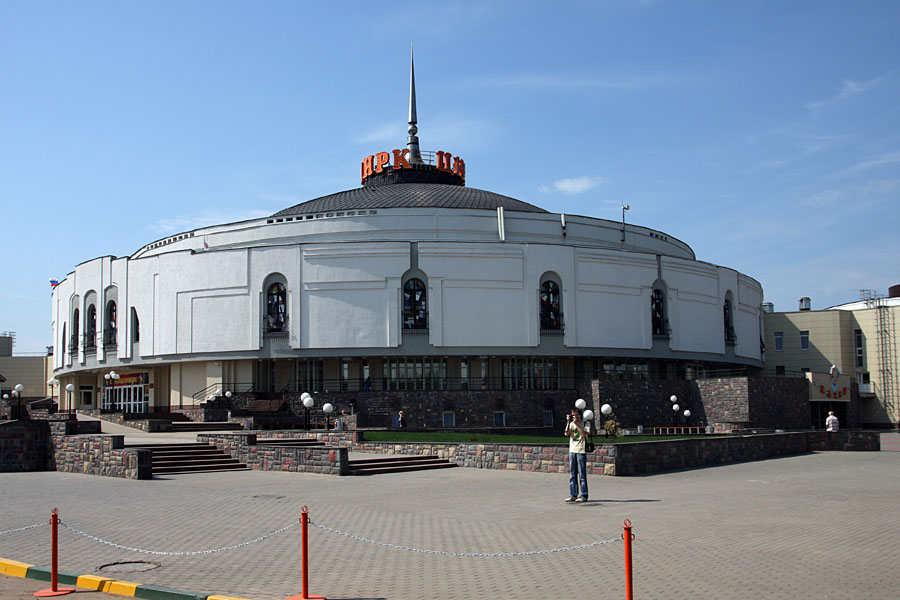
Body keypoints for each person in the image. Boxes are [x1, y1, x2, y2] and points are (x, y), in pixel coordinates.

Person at [564, 408, 590, 502]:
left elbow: (583, 434)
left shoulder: (586, 423)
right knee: (572, 474)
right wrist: (568, 422)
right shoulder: (571, 424)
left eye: (575, 415)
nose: (574, 417)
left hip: (581, 451)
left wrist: (576, 424)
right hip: (572, 450)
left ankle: (584, 495)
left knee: (582, 475)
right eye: (573, 415)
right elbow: (566, 433)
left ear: (580, 415)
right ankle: (573, 494)